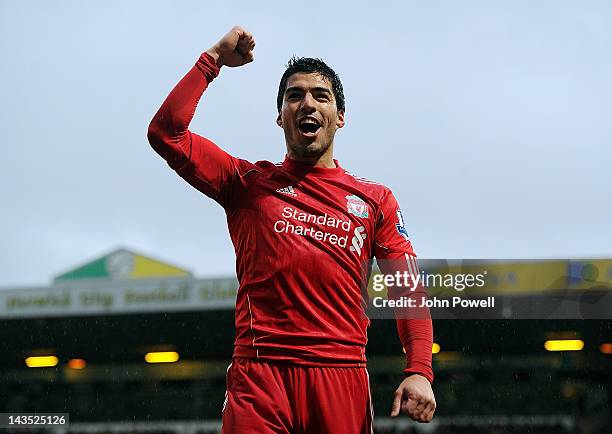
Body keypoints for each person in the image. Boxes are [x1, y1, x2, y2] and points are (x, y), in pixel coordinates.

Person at [148, 26, 436, 434]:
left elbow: (407, 288)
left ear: (341, 116)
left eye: (321, 95)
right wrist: (211, 60)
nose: (307, 103)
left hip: (341, 377)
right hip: (261, 376)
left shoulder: (376, 201)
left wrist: (420, 369)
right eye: (294, 95)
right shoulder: (246, 183)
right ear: (280, 114)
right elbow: (166, 133)